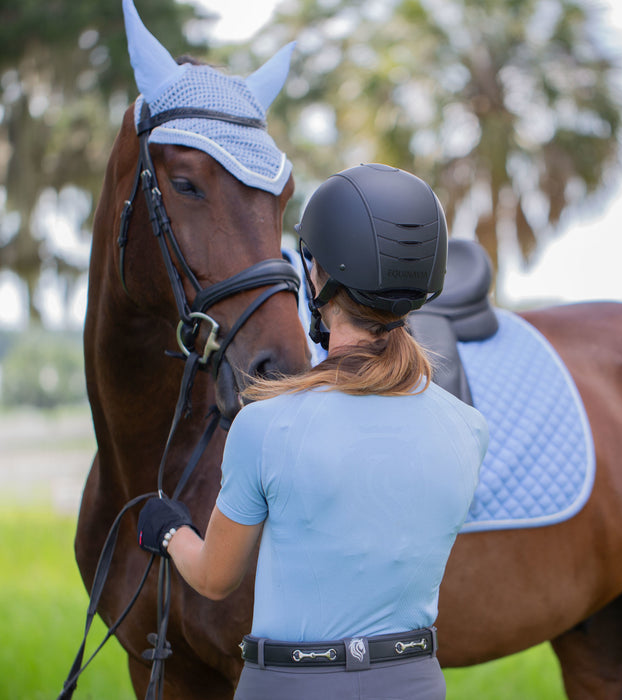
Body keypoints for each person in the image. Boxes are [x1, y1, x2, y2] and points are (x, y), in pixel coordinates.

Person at [137, 163, 489, 700]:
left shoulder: (264, 424)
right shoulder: (469, 427)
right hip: (415, 682)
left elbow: (215, 578)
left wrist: (168, 530)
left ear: (318, 274)